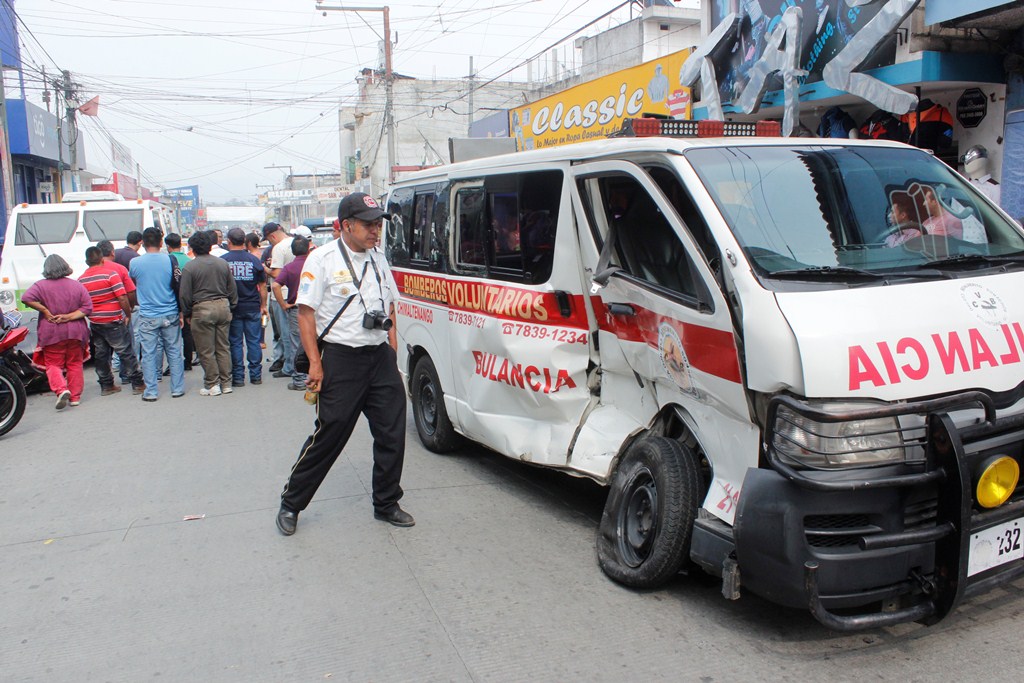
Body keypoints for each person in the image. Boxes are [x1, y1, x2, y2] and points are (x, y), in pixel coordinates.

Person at [276, 192, 412, 535]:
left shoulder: (379, 258)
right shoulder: (320, 260)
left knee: (392, 432)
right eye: (368, 225)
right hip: (340, 358)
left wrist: (392, 353)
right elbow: (306, 316)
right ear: (346, 225)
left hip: (379, 356)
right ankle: (292, 503)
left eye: (378, 224)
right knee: (331, 432)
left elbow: (389, 308)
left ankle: (386, 502)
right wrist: (315, 365)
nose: (375, 231)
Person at [21, 255, 93, 409]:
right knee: (75, 363)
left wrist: (45, 310)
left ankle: (61, 389)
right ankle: (75, 397)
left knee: (53, 364)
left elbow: (26, 298)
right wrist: (69, 317)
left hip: (52, 332)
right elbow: (87, 308)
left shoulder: (40, 286)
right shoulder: (77, 285)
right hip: (76, 332)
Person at [79, 246, 144, 395]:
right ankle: (137, 383)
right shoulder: (111, 275)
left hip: (95, 322)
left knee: (101, 355)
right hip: (113, 319)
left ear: (86, 262)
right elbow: (122, 297)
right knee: (126, 352)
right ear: (102, 259)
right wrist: (128, 313)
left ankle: (106, 385)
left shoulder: (81, 280)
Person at [129, 227, 186, 401]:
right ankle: (177, 388)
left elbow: (134, 283)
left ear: (143, 244)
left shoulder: (135, 263)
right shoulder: (171, 260)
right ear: (161, 243)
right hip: (170, 313)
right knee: (174, 351)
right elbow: (178, 286)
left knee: (148, 353)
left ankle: (151, 391)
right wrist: (181, 312)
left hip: (147, 315)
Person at [180, 231, 237, 396]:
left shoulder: (190, 267)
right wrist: (231, 305)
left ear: (193, 248)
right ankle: (226, 382)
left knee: (206, 350)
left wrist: (187, 312)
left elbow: (185, 294)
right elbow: (232, 288)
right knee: (223, 347)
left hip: (202, 309)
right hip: (223, 306)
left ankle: (212, 383)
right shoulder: (222, 263)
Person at [221, 227, 266, 387]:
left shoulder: (223, 261)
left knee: (235, 342)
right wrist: (263, 305)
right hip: (252, 306)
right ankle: (256, 376)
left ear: (229, 241)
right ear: (245, 242)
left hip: (232, 308)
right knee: (254, 341)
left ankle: (238, 377)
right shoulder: (253, 260)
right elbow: (262, 284)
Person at [271, 234, 310, 390]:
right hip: (317, 308)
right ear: (308, 249)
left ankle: (300, 379)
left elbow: (275, 286)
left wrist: (283, 304)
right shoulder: (315, 264)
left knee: (297, 344)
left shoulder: (290, 268)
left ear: (293, 252)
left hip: (297, 309)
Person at [263, 222, 292, 375]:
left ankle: (289, 367)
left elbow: (276, 274)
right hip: (297, 293)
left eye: (269, 239)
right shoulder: (297, 241)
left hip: (282, 294)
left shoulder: (279, 248)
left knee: (285, 333)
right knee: (296, 333)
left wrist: (265, 268)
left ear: (273, 236)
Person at [164, 233, 195, 371]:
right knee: (187, 332)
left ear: (168, 246)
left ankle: (174, 365)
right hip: (188, 299)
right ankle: (188, 361)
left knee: (172, 336)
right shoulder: (189, 260)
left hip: (172, 300)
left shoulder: (167, 260)